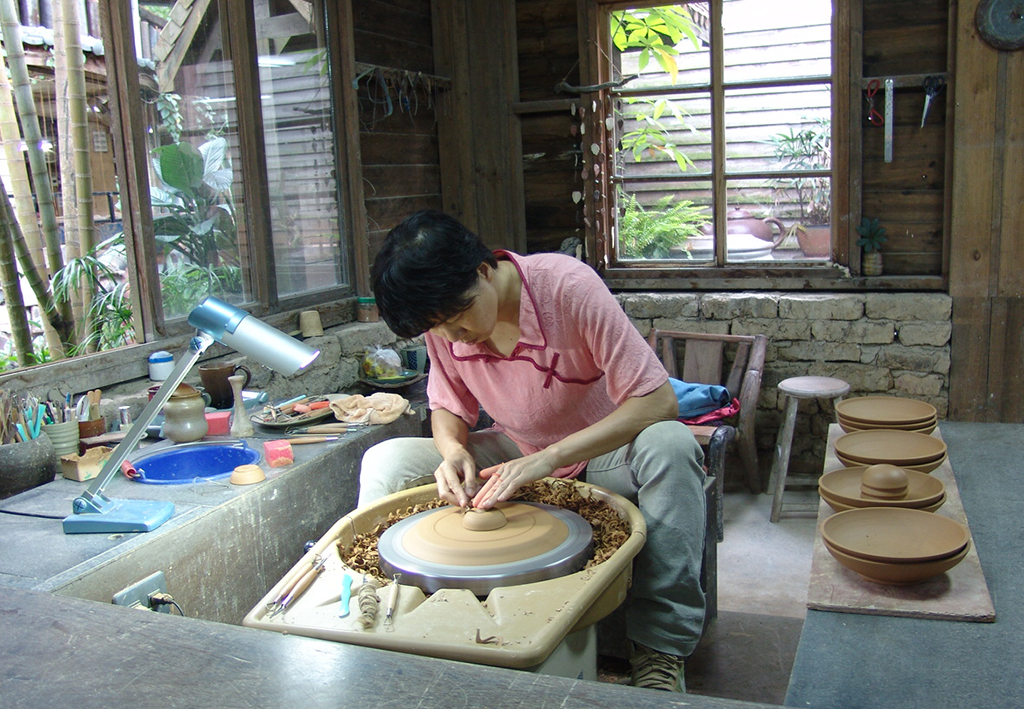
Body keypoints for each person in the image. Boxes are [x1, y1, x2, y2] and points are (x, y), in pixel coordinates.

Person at [359, 210, 707, 692]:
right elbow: (447, 405)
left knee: (672, 443)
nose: (451, 337)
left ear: (484, 270)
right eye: (436, 328)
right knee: (387, 460)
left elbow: (658, 399)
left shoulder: (565, 287)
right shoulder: (444, 322)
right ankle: (382, 615)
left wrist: (547, 459)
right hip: (514, 452)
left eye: (456, 320)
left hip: (603, 455)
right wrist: (452, 449)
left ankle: (659, 650)